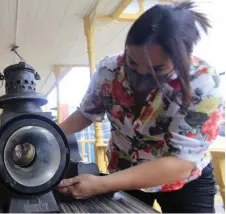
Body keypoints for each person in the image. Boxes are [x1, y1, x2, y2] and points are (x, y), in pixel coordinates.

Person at [56, 1, 223, 213]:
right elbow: (86, 113)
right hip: (123, 173)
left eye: (158, 68)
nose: (142, 74)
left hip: (184, 183)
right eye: (133, 62)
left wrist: (100, 184)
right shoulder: (110, 69)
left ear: (183, 57)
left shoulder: (204, 85)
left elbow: (180, 163)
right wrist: (48, 134)